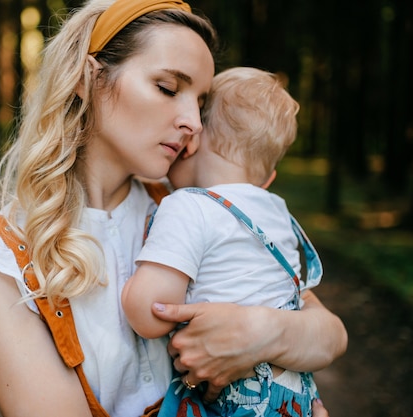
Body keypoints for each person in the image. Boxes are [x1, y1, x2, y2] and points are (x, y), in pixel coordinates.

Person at [0, 0, 347, 415]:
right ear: (88, 78)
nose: (193, 122)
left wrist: (259, 332)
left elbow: (331, 333)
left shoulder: (198, 209)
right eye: (169, 88)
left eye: (201, 103)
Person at [121, 67, 329, 416]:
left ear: (192, 143)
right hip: (294, 395)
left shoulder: (187, 205)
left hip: (234, 397)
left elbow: (150, 315)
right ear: (268, 179)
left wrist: (128, 288)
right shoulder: (279, 213)